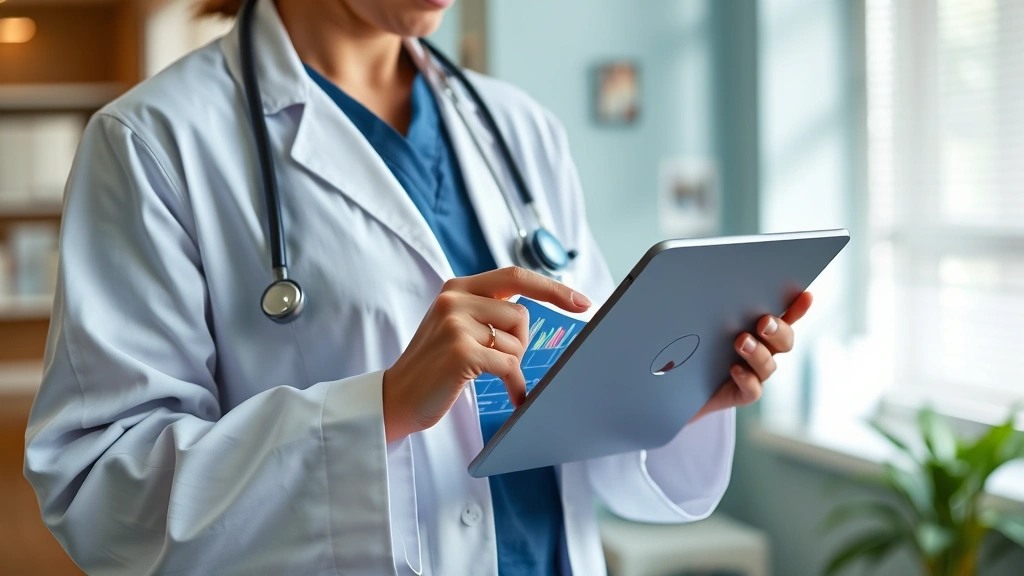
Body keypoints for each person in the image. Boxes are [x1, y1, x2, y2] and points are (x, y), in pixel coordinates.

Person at [23, 0, 814, 573]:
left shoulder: (519, 128)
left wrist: (674, 391)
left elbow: (575, 407)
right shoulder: (155, 143)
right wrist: (384, 406)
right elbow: (101, 492)